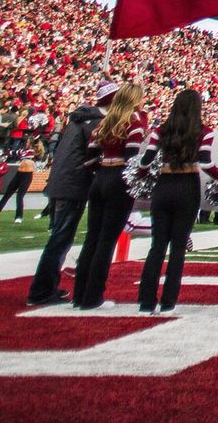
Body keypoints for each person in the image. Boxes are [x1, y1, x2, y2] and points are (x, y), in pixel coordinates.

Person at [136, 87, 212, 313]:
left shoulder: (161, 130)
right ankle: (169, 302)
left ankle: (146, 302)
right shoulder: (204, 132)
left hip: (164, 185)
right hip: (188, 186)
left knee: (157, 246)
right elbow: (206, 163)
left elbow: (145, 162)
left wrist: (141, 175)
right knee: (178, 248)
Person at [71, 81, 146, 309]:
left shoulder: (104, 122)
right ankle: (93, 296)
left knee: (91, 238)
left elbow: (90, 157)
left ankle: (79, 295)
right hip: (119, 180)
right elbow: (133, 158)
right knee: (106, 240)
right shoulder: (134, 121)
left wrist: (103, 170)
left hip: (100, 177)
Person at [26, 87, 101, 305]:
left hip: (59, 181)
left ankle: (47, 286)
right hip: (72, 184)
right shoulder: (93, 123)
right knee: (60, 239)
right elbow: (96, 153)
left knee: (58, 237)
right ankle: (41, 291)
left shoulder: (76, 123)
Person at [0, 148, 37, 223]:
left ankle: (19, 217)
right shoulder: (22, 151)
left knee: (19, 196)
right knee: (6, 195)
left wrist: (16, 153)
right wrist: (3, 153)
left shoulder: (31, 151)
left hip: (27, 176)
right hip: (18, 175)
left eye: (28, 141)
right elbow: (12, 152)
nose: (26, 143)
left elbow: (27, 156)